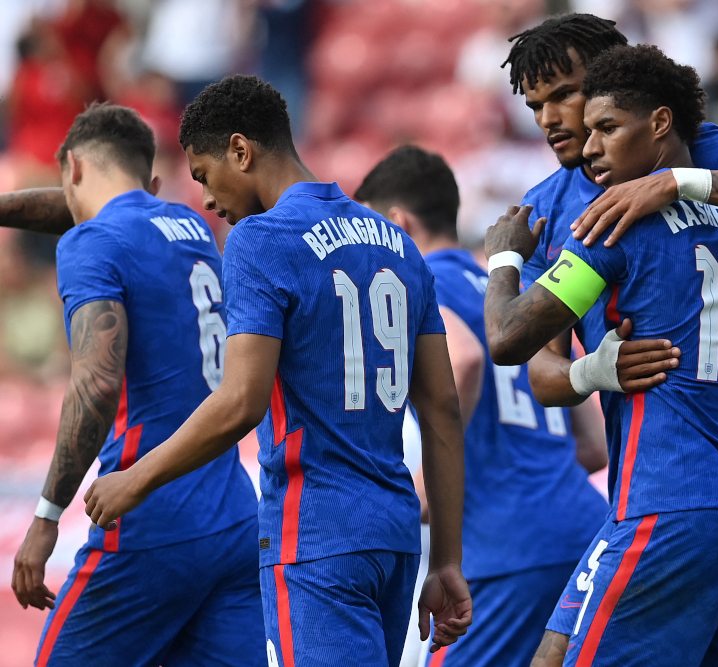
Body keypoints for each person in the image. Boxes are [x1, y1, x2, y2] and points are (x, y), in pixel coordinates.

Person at [80, 75, 472, 667]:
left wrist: (136, 478)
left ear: (241, 151)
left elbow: (241, 401)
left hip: (313, 534)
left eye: (206, 176)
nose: (208, 201)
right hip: (393, 536)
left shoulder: (261, 239)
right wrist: (447, 559)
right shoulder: (397, 242)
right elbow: (442, 405)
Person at [499, 15, 718, 664]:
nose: (551, 119)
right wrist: (593, 371)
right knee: (550, 652)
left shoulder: (707, 153)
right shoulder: (548, 208)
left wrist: (675, 188)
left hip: (668, 489)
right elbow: (543, 372)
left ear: (614, 85)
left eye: (567, 94)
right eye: (536, 104)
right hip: (696, 493)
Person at [357, 145, 673, 667]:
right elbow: (592, 448)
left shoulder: (415, 284)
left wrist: (421, 491)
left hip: (503, 553)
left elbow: (463, 361)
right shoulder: (509, 295)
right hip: (581, 528)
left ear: (397, 222)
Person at [9, 103, 264, 666]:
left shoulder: (90, 243)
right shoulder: (191, 226)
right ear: (150, 182)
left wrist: (47, 517)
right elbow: (91, 213)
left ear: (72, 167)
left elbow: (97, 385)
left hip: (149, 521)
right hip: (233, 521)